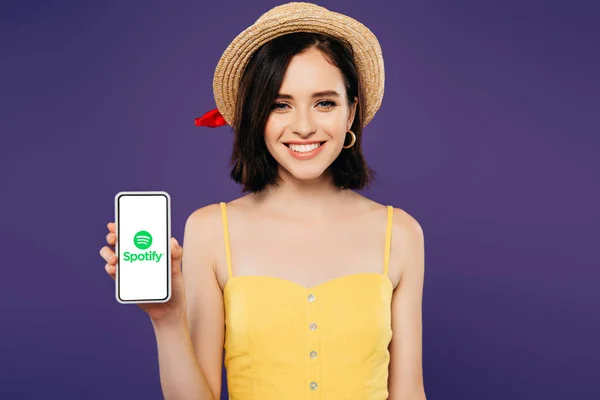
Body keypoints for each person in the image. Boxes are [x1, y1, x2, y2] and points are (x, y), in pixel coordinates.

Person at [99, 2, 426, 399]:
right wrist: (166, 320)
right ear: (256, 114)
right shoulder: (209, 230)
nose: (304, 127)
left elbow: (409, 394)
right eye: (279, 104)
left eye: (325, 102)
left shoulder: (401, 233)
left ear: (351, 110)